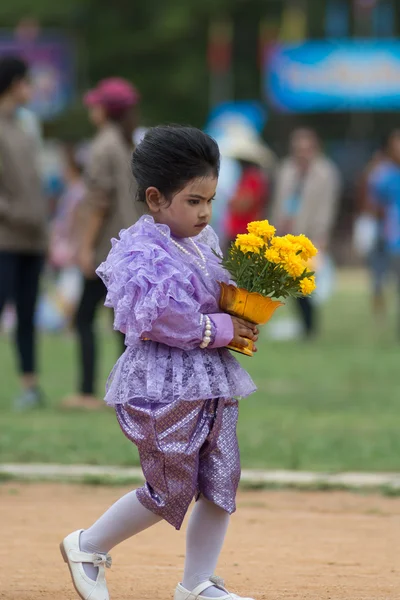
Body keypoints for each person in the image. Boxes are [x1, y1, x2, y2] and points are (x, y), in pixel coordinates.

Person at [60, 125, 258, 600]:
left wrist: (244, 313)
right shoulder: (140, 252)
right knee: (171, 486)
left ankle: (197, 583)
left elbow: (212, 302)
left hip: (211, 379)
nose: (205, 211)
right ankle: (88, 545)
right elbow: (155, 320)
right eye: (193, 200)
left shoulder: (203, 242)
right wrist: (220, 330)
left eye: (210, 198)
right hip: (162, 386)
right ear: (155, 198)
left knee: (221, 478)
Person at [62, 78, 143, 410]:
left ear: (106, 110)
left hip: (106, 248)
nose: (90, 109)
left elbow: (98, 201)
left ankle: (86, 391)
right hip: (129, 244)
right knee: (124, 324)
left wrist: (85, 247)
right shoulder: (128, 143)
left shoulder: (103, 145)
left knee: (84, 317)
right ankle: (128, 391)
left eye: (95, 104)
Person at [0, 56, 47, 409]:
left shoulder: (26, 126)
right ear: (14, 83)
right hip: (5, 237)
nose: (31, 89)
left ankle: (30, 386)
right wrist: (12, 212)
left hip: (34, 237)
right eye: (27, 82)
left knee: (28, 316)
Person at [271, 128, 340, 338]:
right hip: (286, 234)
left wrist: (321, 236)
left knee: (308, 283)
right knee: (290, 283)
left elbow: (326, 207)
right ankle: (304, 325)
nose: (302, 153)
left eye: (306, 148)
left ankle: (310, 327)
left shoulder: (326, 172)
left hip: (310, 236)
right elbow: (278, 202)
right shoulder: (286, 170)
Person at [369, 129, 400, 336]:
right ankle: (381, 316)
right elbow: (372, 203)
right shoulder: (382, 174)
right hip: (390, 236)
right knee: (382, 282)